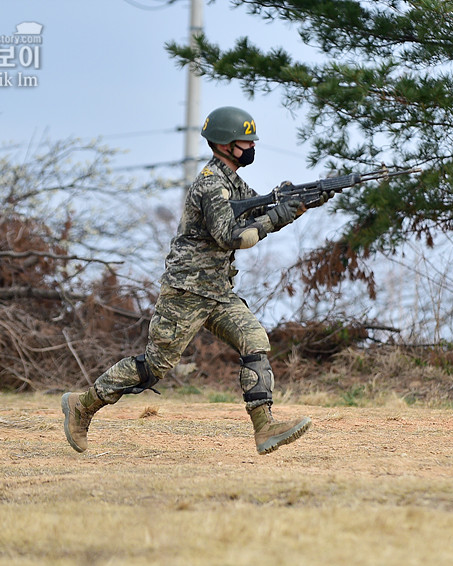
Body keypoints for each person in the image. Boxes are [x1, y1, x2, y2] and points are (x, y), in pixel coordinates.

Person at [62, 106, 330, 455]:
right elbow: (233, 237)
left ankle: (264, 427)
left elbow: (256, 214)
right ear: (224, 144)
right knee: (154, 367)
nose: (251, 146)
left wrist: (294, 204)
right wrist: (278, 215)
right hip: (186, 292)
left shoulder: (232, 181)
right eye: (245, 141)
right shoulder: (210, 185)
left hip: (218, 292)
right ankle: (82, 406)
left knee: (255, 341)